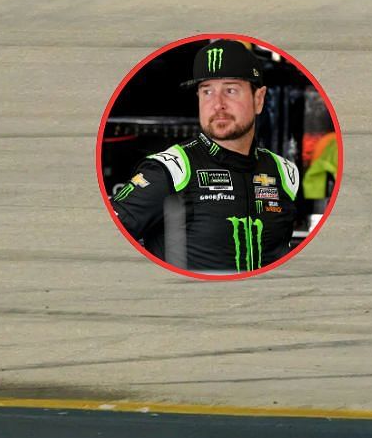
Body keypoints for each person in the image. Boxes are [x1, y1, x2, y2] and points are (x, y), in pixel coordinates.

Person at [110, 39, 299, 273]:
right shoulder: (170, 171)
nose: (218, 104)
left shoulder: (284, 172)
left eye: (231, 90)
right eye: (207, 91)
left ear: (258, 99)